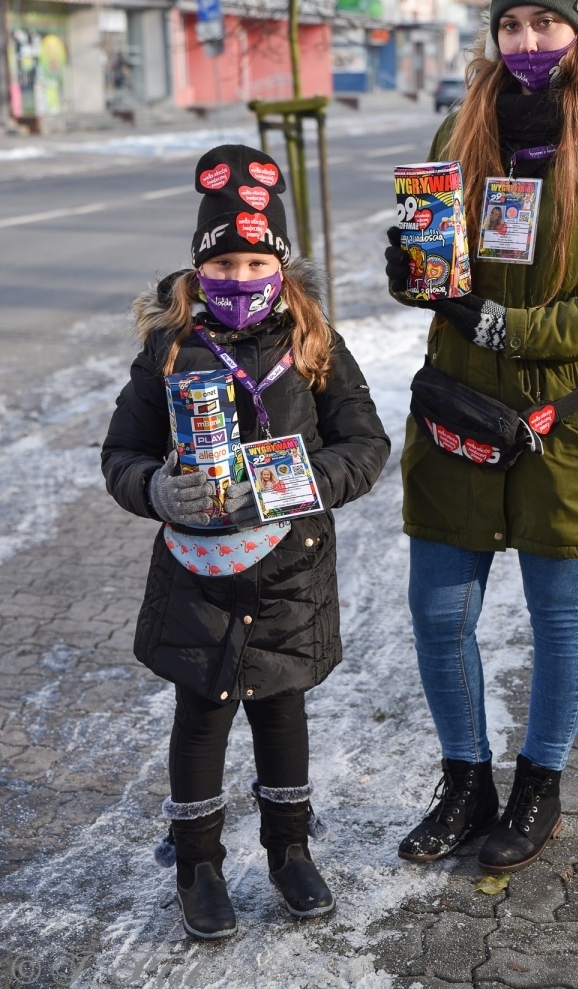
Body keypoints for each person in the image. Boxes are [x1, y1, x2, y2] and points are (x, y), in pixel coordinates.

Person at [386, 0, 578, 872]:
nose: (524, 39)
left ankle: (537, 788)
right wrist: (414, 275)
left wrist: (514, 331)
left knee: (559, 614)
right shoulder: (461, 129)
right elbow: (446, 270)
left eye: (544, 19)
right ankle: (464, 782)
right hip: (457, 410)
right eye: (509, 22)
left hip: (569, 422)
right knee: (438, 612)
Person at [103, 145, 389, 938]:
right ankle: (197, 862)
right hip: (196, 572)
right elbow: (118, 456)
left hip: (288, 570)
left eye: (254, 259)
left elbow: (364, 446)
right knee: (200, 714)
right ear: (198, 270)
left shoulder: (312, 341)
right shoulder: (168, 348)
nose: (237, 276)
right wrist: (155, 487)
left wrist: (292, 486)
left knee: (280, 709)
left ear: (280, 264)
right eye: (221, 262)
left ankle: (290, 852)